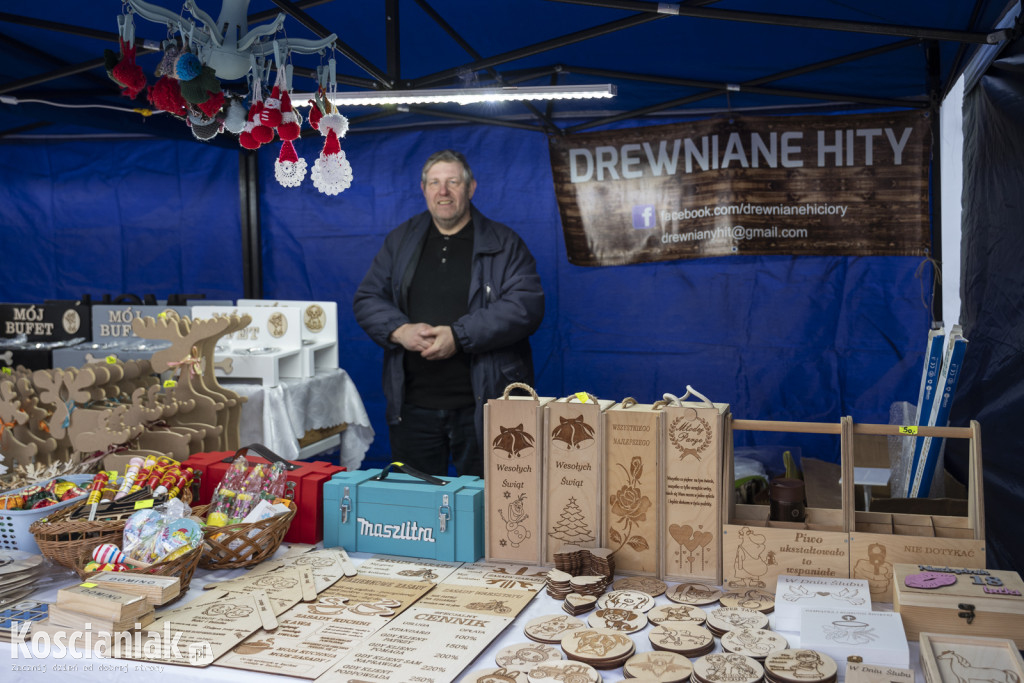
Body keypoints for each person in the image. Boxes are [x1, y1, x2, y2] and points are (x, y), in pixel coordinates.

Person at [353, 149, 544, 478]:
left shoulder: (505, 243)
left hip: (485, 405)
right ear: (424, 189)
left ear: (470, 188)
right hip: (413, 409)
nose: (443, 191)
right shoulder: (401, 240)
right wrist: (400, 330)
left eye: (453, 182)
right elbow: (368, 298)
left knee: (492, 504)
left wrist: (459, 336)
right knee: (415, 510)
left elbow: (526, 306)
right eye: (435, 183)